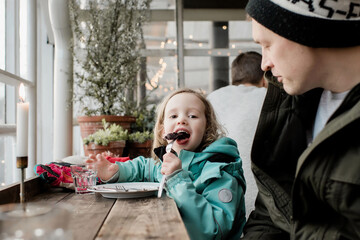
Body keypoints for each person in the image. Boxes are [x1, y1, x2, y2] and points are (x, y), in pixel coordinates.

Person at [241, 0, 360, 239]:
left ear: (305, 29)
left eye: (268, 45)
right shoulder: (292, 103)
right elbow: (270, 213)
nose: (264, 63)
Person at [87, 88, 246, 240]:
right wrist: (115, 171)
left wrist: (177, 179)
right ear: (163, 131)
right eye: (173, 116)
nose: (182, 120)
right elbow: (142, 168)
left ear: (207, 128)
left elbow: (213, 231)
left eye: (192, 116)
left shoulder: (221, 170)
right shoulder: (164, 162)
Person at [207, 51, 267, 219]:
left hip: (218, 207)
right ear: (264, 79)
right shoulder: (269, 97)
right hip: (261, 210)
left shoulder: (212, 99)